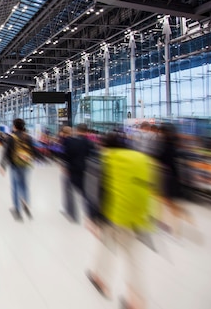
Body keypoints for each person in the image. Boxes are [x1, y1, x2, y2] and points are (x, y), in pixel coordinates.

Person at [86, 131, 157, 309]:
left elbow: (94, 191)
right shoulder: (141, 158)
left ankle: (101, 280)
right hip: (139, 217)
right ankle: (137, 301)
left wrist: (93, 218)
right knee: (134, 260)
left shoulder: (105, 159)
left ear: (106, 146)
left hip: (115, 216)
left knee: (106, 248)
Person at [0, 118, 37, 222]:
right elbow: (33, 151)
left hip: (14, 164)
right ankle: (26, 202)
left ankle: (17, 209)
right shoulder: (28, 137)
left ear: (14, 126)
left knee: (15, 187)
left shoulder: (11, 137)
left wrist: (2, 165)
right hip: (26, 164)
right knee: (24, 186)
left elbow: (6, 152)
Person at [61, 123, 95, 223]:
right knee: (86, 194)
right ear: (87, 131)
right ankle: (90, 215)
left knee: (69, 191)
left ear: (76, 130)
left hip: (72, 170)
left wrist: (65, 166)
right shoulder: (90, 143)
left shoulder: (70, 141)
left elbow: (65, 155)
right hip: (86, 171)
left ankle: (72, 214)